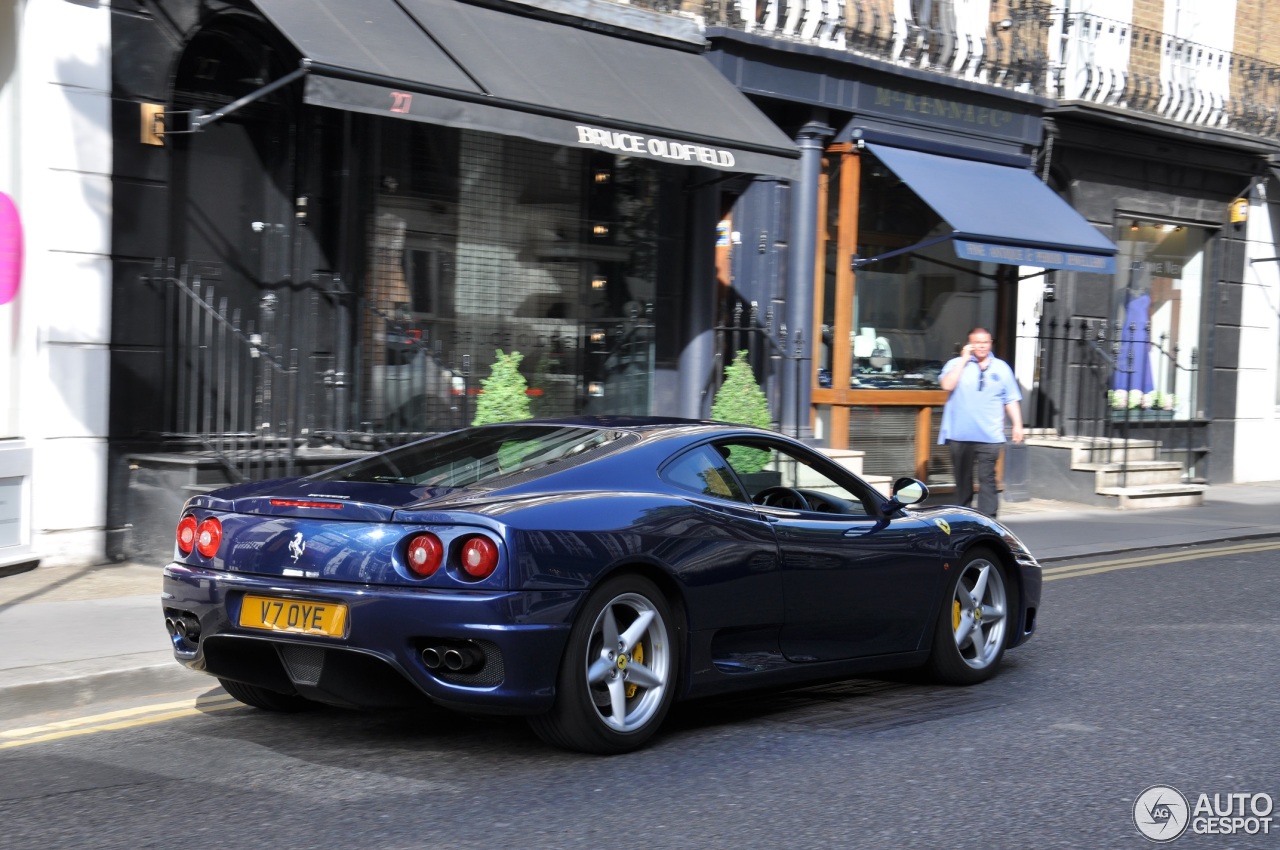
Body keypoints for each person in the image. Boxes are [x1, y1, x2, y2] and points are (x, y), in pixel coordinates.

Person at [937, 328, 1024, 518]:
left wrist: (1018, 424)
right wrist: (963, 360)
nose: (982, 346)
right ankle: (963, 516)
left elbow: (1010, 399)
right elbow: (947, 385)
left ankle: (988, 518)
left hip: (990, 435)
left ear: (990, 343)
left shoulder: (1001, 368)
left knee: (988, 478)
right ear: (969, 344)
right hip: (959, 434)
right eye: (977, 342)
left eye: (985, 342)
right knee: (962, 479)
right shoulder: (955, 364)